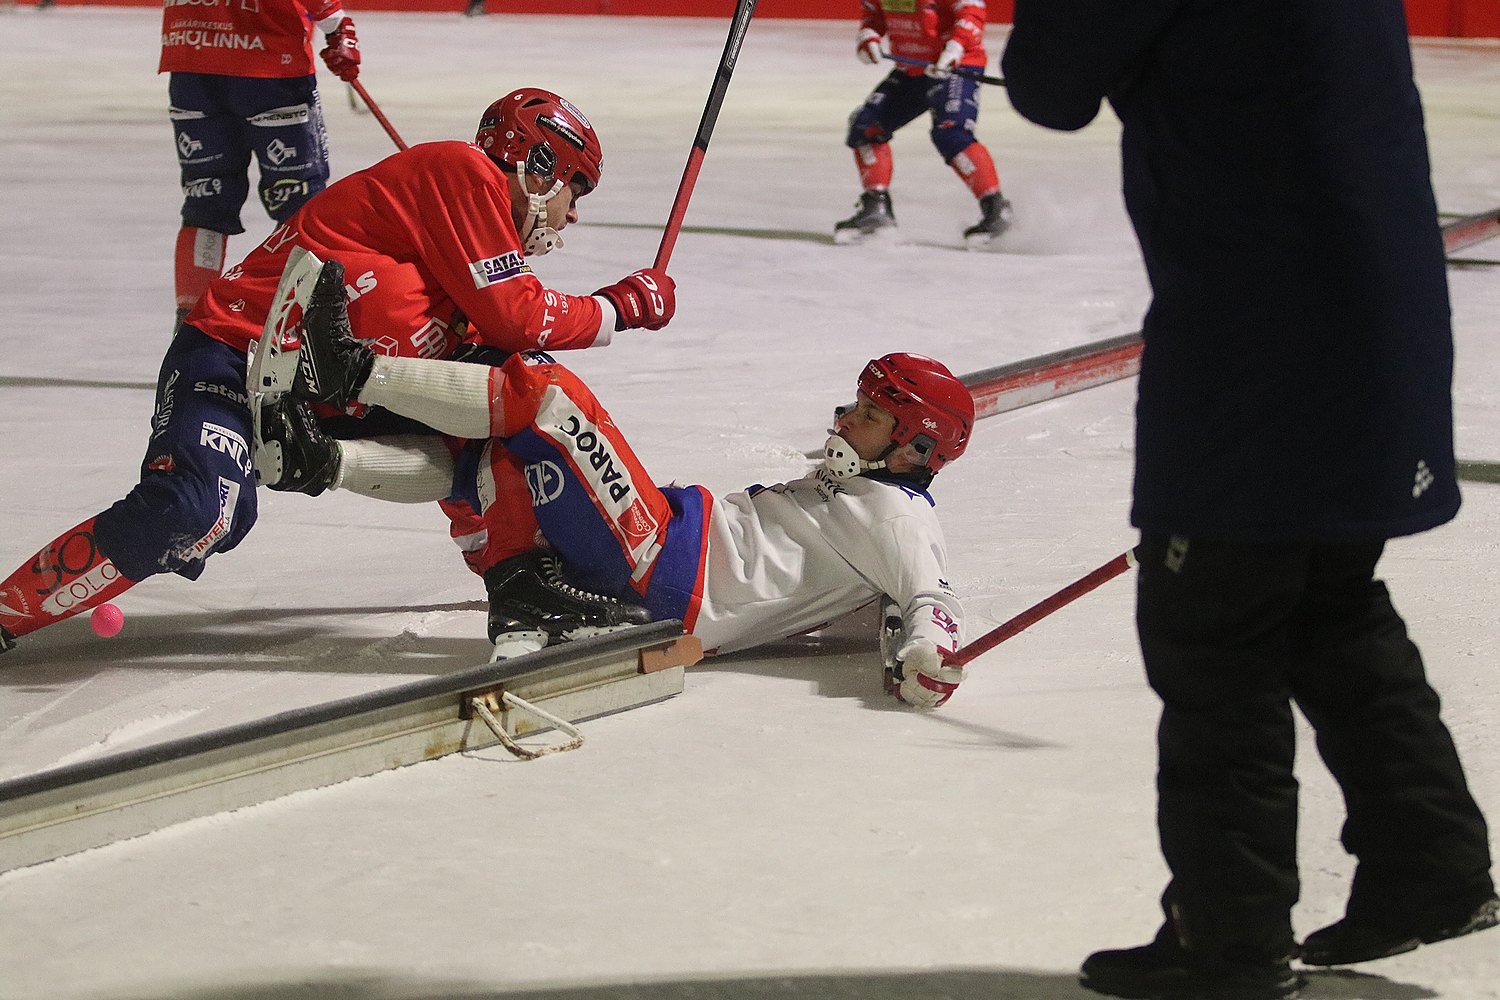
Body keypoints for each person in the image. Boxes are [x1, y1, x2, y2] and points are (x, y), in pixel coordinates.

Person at [1001, 2, 1497, 999]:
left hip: (1262, 322)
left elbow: (1048, 83)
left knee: (1211, 620)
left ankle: (1229, 943)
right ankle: (1428, 865)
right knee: (1323, 593)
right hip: (1376, 288)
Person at [0, 89, 676, 656]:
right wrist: (622, 306)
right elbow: (518, 315)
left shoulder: (459, 265)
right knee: (202, 512)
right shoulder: (463, 172)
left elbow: (490, 364)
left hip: (325, 393)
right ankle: (7, 614)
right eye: (575, 189)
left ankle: (519, 585)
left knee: (488, 401)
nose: (575, 214)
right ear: (539, 165)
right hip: (234, 355)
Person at [254, 266, 974, 706]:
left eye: (872, 415)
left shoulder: (896, 514)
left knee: (544, 391)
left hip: (665, 567)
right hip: (663, 554)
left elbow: (932, 601)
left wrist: (927, 658)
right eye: (855, 400)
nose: (846, 416)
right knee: (489, 444)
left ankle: (347, 370)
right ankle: (317, 461)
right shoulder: (863, 493)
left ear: (916, 449)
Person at [161, 0, 363, 332]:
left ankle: (189, 329)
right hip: (269, 64)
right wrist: (334, 21)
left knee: (207, 197)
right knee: (299, 203)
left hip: (190, 53)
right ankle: (283, 325)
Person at [835, 0, 1012, 248]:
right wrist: (869, 36)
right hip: (912, 68)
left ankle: (997, 211)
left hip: (955, 65)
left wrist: (956, 47)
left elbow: (972, 9)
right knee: (866, 127)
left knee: (952, 133)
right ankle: (876, 207)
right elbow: (874, 14)